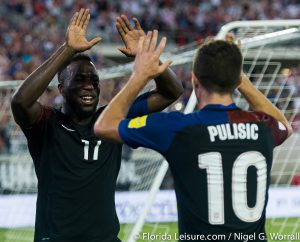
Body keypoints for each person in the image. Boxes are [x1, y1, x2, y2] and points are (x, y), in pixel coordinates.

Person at [94, 32, 293, 241]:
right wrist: (239, 78)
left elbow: (104, 126)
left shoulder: (177, 127)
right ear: (235, 81)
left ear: (194, 80)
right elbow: (284, 127)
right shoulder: (261, 126)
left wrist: (139, 76)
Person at [11, 9, 183, 242]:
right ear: (61, 89)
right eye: (79, 79)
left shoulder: (111, 118)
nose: (89, 86)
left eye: (93, 81)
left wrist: (147, 56)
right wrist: (68, 49)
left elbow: (172, 91)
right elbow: (21, 101)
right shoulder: (47, 123)